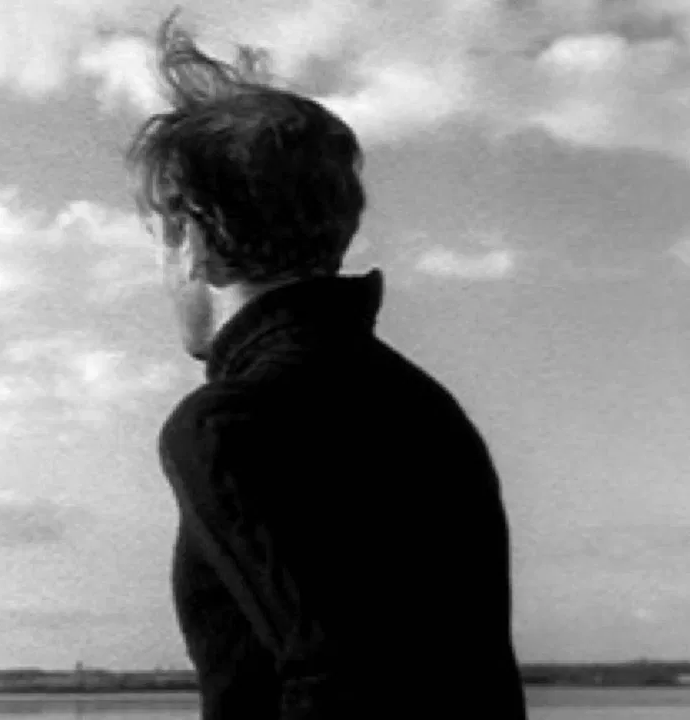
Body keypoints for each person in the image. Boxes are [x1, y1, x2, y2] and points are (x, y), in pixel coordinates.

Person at [127, 13, 528, 719]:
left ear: (193, 237)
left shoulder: (229, 425)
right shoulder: (420, 404)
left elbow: (339, 680)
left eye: (162, 239)